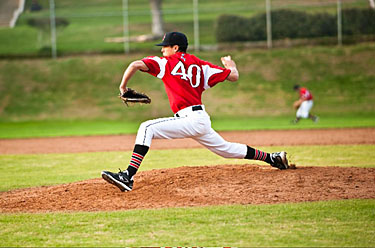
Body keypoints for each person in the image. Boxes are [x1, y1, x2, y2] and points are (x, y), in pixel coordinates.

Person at [101, 32, 289, 192]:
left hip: (189, 118)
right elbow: (234, 76)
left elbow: (134, 64)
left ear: (175, 48)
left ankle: (127, 176)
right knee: (226, 149)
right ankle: (273, 158)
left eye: (165, 46)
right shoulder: (200, 65)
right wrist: (230, 64)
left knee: (146, 127)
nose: (162, 50)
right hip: (200, 120)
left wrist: (123, 88)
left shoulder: (166, 62)